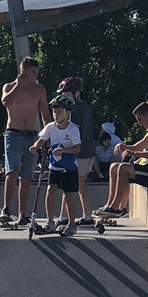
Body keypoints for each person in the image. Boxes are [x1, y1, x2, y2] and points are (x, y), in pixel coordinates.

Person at [95, 101, 148, 218]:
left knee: (123, 168)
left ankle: (116, 208)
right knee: (114, 166)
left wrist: (133, 153)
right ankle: (111, 205)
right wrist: (123, 146)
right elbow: (136, 147)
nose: (139, 123)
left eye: (140, 119)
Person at [0, 57, 52, 225]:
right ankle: (6, 208)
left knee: (26, 176)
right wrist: (18, 85)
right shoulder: (9, 87)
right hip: (13, 134)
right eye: (33, 73)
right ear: (23, 71)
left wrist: (47, 137)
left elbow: (45, 114)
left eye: (37, 73)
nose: (35, 76)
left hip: (31, 135)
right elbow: (6, 102)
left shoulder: (39, 90)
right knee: (12, 170)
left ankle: (23, 214)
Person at [29, 93, 82, 236]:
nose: (56, 115)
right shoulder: (51, 127)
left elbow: (77, 148)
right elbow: (41, 140)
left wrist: (63, 150)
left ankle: (71, 224)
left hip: (69, 168)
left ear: (67, 113)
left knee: (68, 195)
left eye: (59, 112)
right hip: (55, 166)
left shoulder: (72, 129)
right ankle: (50, 221)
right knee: (50, 190)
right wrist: (35, 147)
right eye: (54, 111)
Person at [57, 76, 95, 227]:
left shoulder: (76, 109)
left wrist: (64, 148)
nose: (64, 98)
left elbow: (74, 131)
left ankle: (76, 217)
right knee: (78, 185)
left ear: (76, 94)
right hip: (87, 151)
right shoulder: (84, 106)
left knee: (71, 185)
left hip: (78, 152)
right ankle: (70, 216)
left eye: (66, 95)